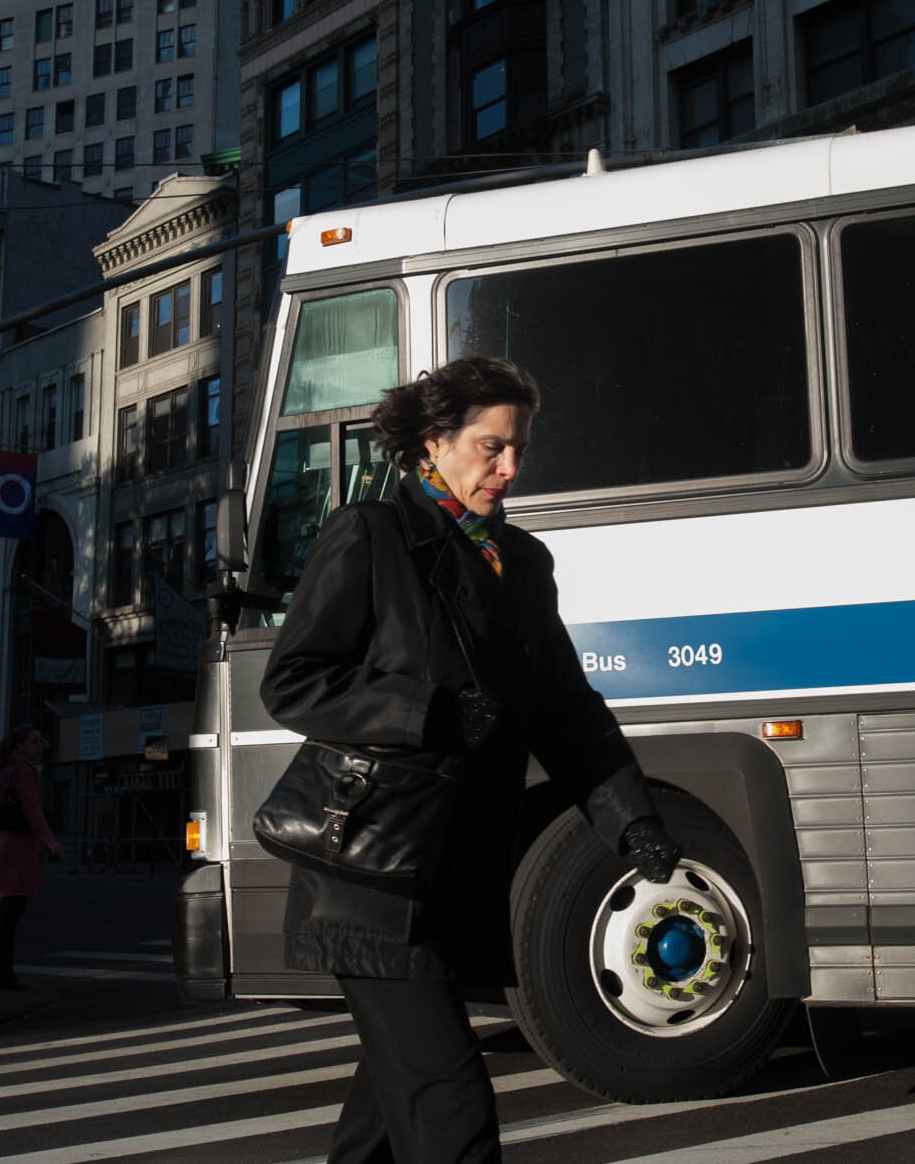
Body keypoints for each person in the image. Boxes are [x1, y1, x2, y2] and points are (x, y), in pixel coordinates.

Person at [259, 356, 684, 1164]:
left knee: (393, 1099)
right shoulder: (372, 535)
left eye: (519, 447)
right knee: (449, 1098)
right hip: (373, 875)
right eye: (491, 447)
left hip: (458, 873)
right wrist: (429, 711)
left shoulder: (521, 562)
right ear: (433, 442)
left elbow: (566, 711)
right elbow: (294, 681)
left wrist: (633, 821)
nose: (510, 467)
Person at [0, 724, 64, 990]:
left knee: (8, 912)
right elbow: (32, 810)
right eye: (34, 741)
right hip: (17, 846)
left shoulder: (5, 770)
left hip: (3, 842)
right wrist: (50, 841)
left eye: (40, 740)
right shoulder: (24, 772)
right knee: (12, 911)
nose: (39, 746)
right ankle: (1, 972)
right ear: (20, 746)